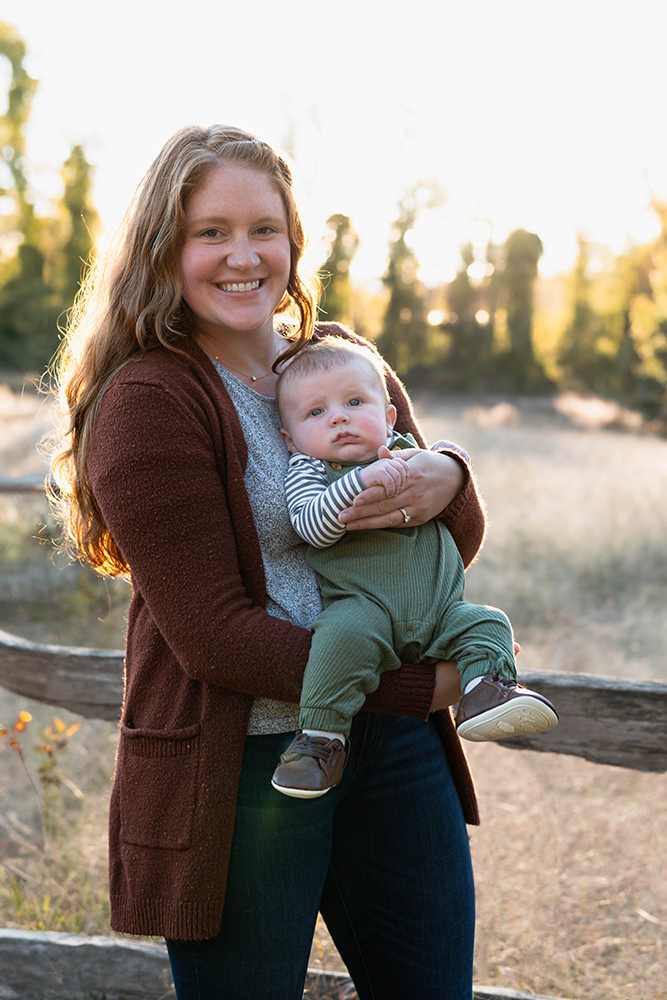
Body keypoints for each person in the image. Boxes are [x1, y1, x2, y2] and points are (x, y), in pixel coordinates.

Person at [49, 123, 495, 1000]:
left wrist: (447, 471)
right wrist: (419, 688)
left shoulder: (339, 362)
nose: (242, 256)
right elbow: (215, 638)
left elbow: (446, 544)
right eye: (209, 232)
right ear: (161, 250)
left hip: (394, 755)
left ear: (293, 240)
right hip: (247, 769)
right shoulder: (151, 399)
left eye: (265, 229)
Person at [270, 337, 558, 797]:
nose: (339, 417)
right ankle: (320, 740)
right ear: (290, 439)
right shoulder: (309, 469)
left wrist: (448, 463)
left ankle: (488, 691)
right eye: (315, 413)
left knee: (487, 622)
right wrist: (360, 482)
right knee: (338, 643)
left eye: (354, 402)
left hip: (440, 609)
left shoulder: (405, 452)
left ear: (388, 418)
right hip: (364, 608)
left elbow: (449, 479)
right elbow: (310, 526)